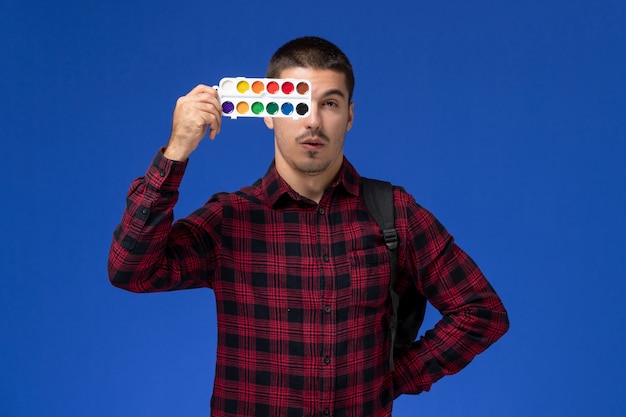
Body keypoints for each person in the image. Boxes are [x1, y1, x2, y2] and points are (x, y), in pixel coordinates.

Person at [108, 36, 509, 417]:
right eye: (297, 105)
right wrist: (176, 152)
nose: (313, 121)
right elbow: (131, 270)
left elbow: (482, 312)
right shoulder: (231, 220)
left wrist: (390, 381)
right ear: (268, 113)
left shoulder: (395, 214)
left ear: (349, 116)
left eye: (330, 103)